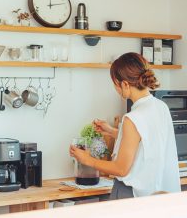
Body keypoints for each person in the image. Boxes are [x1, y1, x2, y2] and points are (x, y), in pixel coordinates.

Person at [69, 52, 180, 200]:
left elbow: (121, 169)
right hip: (156, 195)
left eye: (115, 84)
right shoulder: (161, 107)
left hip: (130, 194)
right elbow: (145, 141)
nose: (115, 89)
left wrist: (87, 160)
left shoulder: (132, 118)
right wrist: (111, 131)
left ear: (125, 84)